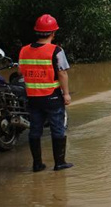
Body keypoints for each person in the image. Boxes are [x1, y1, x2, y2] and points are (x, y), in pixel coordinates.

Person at [19, 14, 73, 172]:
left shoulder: (24, 50)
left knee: (35, 130)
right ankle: (59, 163)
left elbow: (20, 72)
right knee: (57, 128)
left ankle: (37, 164)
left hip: (33, 98)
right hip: (52, 97)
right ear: (53, 33)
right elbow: (62, 73)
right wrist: (66, 94)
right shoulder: (56, 50)